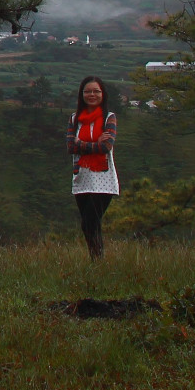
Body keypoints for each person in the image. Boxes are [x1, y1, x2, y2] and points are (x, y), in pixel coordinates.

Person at [69, 76, 118, 259]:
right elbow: (70, 147)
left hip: (104, 179)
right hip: (82, 178)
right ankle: (97, 260)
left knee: (90, 221)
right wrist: (93, 143)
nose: (92, 95)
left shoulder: (109, 118)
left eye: (96, 91)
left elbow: (106, 146)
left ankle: (97, 261)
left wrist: (82, 143)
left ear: (102, 94)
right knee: (89, 223)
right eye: (88, 91)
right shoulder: (75, 119)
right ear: (81, 94)